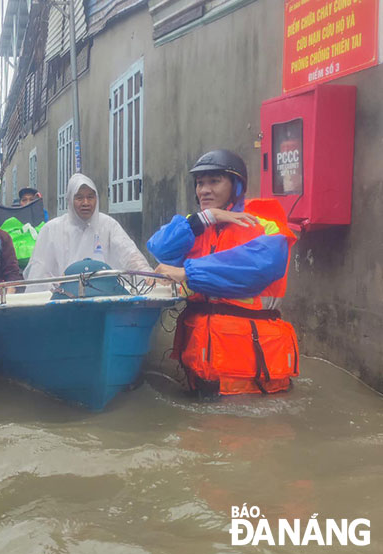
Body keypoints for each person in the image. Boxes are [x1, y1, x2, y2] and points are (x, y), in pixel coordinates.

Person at [146, 149, 299, 397]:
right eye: (199, 183)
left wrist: (187, 272)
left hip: (250, 359)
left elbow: (255, 268)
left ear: (237, 185)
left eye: (214, 181)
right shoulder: (195, 225)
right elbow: (159, 248)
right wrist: (208, 217)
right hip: (205, 357)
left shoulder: (265, 224)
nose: (204, 190)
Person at [24, 173, 153, 286]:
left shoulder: (108, 225)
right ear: (70, 200)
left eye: (90, 197)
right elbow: (39, 273)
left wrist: (147, 275)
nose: (86, 202)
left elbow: (129, 255)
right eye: (79, 198)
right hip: (62, 301)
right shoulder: (51, 229)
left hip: (104, 296)